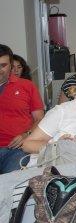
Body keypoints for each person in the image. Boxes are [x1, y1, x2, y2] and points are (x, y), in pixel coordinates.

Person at [0, 44, 44, 173]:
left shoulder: (27, 86)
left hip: (18, 150)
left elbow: (40, 118)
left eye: (3, 65)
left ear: (11, 66)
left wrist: (27, 134)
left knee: (11, 184)